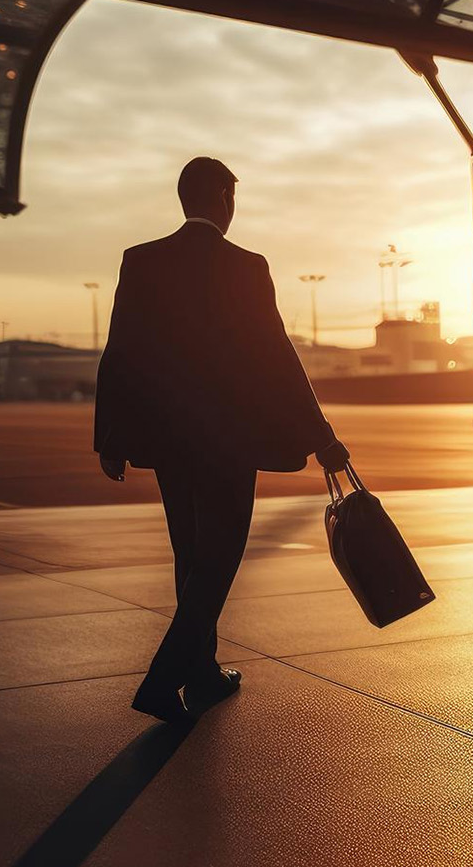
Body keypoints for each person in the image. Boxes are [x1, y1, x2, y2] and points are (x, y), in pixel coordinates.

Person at [94, 156, 348, 723]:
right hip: (229, 441)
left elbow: (120, 353)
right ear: (223, 199)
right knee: (221, 556)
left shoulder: (141, 261)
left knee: (191, 552)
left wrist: (108, 437)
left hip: (166, 441)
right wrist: (321, 435)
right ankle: (162, 682)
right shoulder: (245, 267)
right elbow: (278, 356)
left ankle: (203, 675)